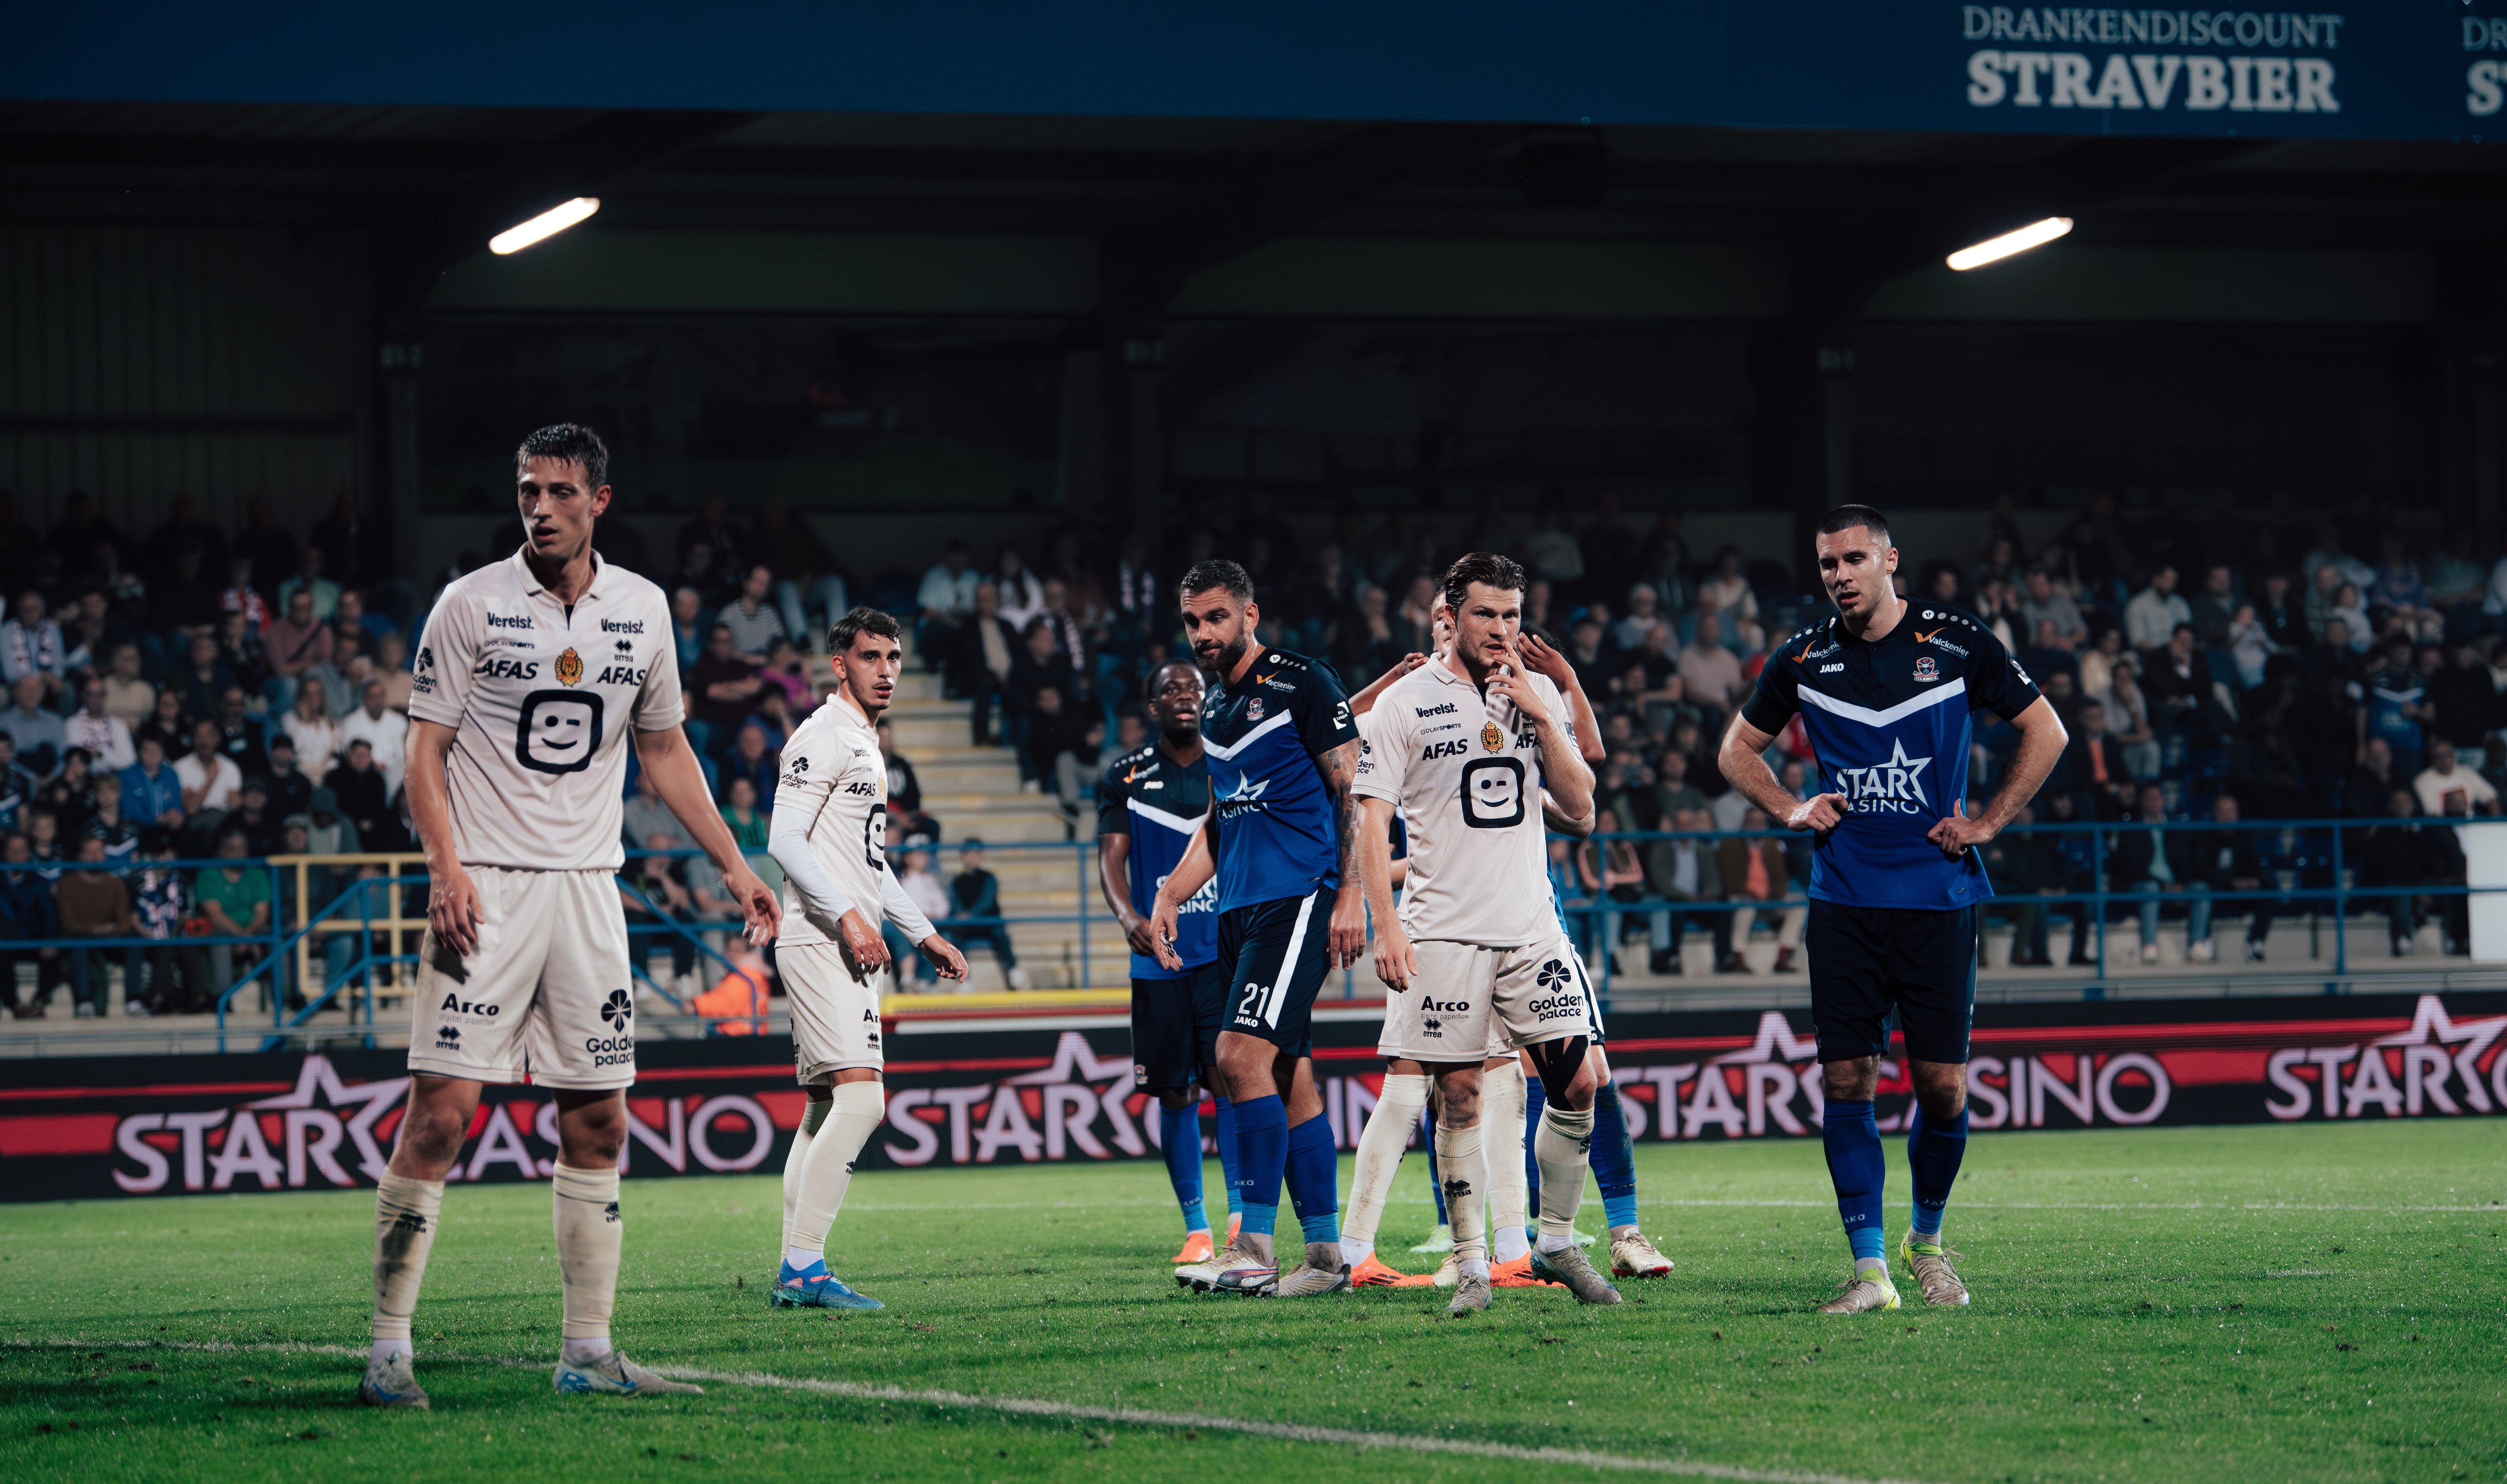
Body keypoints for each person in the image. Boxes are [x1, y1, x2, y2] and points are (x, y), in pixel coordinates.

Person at [362, 422, 778, 1410]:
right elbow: (423, 752)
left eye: (557, 491)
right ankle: (387, 1352)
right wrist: (445, 868)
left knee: (599, 1122)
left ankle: (588, 1351)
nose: (538, 506)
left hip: (592, 889)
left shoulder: (643, 609)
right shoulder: (469, 605)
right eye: (525, 490)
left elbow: (666, 750)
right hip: (488, 887)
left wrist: (733, 864)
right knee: (441, 1118)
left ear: (599, 500)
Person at [1718, 504, 2067, 1313]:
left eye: (1850, 560)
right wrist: (1787, 807)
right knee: (1846, 1081)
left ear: (1887, 561)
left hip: (1936, 898)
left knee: (1941, 1087)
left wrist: (1984, 823)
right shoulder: (1803, 658)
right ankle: (1869, 1270)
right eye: (1825, 564)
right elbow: (1735, 750)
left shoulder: (1955, 643)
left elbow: (2044, 732)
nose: (1836, 576)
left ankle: (1928, 1243)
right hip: (1843, 900)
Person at [1337, 552, 1611, 1313]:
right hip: (1441, 936)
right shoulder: (1403, 702)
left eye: (1511, 615)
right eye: (1485, 614)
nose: (1499, 629)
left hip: (1529, 928)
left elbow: (1582, 806)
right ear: (1449, 616)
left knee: (1580, 1079)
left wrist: (1541, 708)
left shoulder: (1535, 693)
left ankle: (1554, 1243)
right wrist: (1381, 922)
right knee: (1457, 1099)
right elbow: (1370, 816)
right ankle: (1469, 1267)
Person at [1150, 558, 1364, 1300]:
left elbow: (1352, 793)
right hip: (1239, 908)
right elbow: (1218, 820)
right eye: (1191, 621)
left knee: (1236, 1056)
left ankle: (1250, 1246)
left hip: (1299, 895)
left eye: (1215, 617)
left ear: (1249, 615)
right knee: (1286, 1072)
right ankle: (1326, 1257)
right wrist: (1170, 895)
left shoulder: (1304, 681)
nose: (1203, 632)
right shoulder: (1211, 709)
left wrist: (1351, 895)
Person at [764, 606, 966, 1313]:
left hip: (847, 942)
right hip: (822, 940)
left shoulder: (865, 743)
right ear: (839, 664)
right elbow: (783, 840)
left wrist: (922, 932)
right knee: (864, 1100)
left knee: (824, 1108)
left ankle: (797, 1263)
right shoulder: (822, 737)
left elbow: (867, 864)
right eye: (872, 657)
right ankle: (803, 1266)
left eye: (894, 658)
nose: (886, 671)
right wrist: (848, 917)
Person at [1096, 661, 1231, 1268]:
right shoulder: (1123, 775)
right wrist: (1129, 919)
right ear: (1153, 708)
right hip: (1161, 962)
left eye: (1194, 689)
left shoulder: (1229, 763)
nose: (1184, 697)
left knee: (1234, 1082)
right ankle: (1196, 1227)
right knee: (1177, 1094)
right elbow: (1110, 859)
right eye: (1171, 690)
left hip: (1225, 950)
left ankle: (1238, 1219)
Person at [55, 834, 137, 1018]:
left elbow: (123, 921)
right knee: (78, 942)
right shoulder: (67, 884)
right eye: (90, 852)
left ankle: (134, 1000)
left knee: (135, 940)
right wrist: (96, 930)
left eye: (99, 852)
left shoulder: (116, 883)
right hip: (83, 937)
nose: (96, 857)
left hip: (110, 938)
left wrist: (109, 930)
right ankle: (84, 1003)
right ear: (80, 856)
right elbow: (69, 924)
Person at [1719, 807, 1802, 973]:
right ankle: (1738, 957)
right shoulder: (1731, 844)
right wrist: (1753, 895)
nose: (1757, 826)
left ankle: (1783, 957)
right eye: (1753, 822)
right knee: (1745, 907)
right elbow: (1730, 880)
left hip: (1770, 900)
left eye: (1760, 822)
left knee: (1798, 904)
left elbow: (1780, 877)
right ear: (1744, 824)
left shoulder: (1772, 844)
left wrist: (1774, 898)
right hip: (1744, 897)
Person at [941, 841, 1023, 988]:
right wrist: (963, 917)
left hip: (987, 923)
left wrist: (969, 914)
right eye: (969, 854)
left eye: (976, 854)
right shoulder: (957, 882)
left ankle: (1013, 970)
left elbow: (987, 902)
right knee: (955, 938)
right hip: (968, 926)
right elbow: (956, 903)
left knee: (1000, 933)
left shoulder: (989, 878)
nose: (972, 858)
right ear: (962, 856)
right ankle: (964, 979)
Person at [0, 830, 62, 1017]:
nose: (18, 854)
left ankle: (39, 1001)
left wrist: (50, 940)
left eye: (22, 850)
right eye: (13, 850)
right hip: (5, 941)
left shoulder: (39, 883)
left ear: (29, 853)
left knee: (56, 952)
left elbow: (50, 916)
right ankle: (14, 1004)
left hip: (32, 938)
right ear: (4, 852)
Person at [339, 679, 409, 796]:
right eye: (372, 697)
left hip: (396, 774)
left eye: (380, 696)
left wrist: (388, 764)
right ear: (364, 699)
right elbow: (347, 754)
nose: (377, 702)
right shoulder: (350, 723)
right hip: (364, 775)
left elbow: (405, 753)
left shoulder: (399, 722)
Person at [65, 677, 136, 772]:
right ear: (83, 696)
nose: (96, 699)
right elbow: (77, 761)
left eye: (100, 695)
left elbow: (130, 759)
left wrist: (101, 756)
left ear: (105, 696)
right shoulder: (71, 725)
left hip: (114, 780)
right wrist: (112, 757)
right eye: (91, 695)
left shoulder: (119, 725)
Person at [717, 564, 787, 656]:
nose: (761, 587)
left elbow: (781, 644)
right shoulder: (729, 613)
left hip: (767, 665)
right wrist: (750, 659)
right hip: (737, 666)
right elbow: (720, 650)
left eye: (765, 583)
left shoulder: (770, 613)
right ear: (746, 583)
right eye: (758, 581)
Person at [282, 676, 340, 786]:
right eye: (308, 694)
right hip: (301, 775)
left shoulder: (328, 722)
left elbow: (335, 752)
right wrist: (305, 722)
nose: (313, 699)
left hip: (326, 774)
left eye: (317, 694)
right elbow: (295, 749)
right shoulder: (290, 720)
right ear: (301, 696)